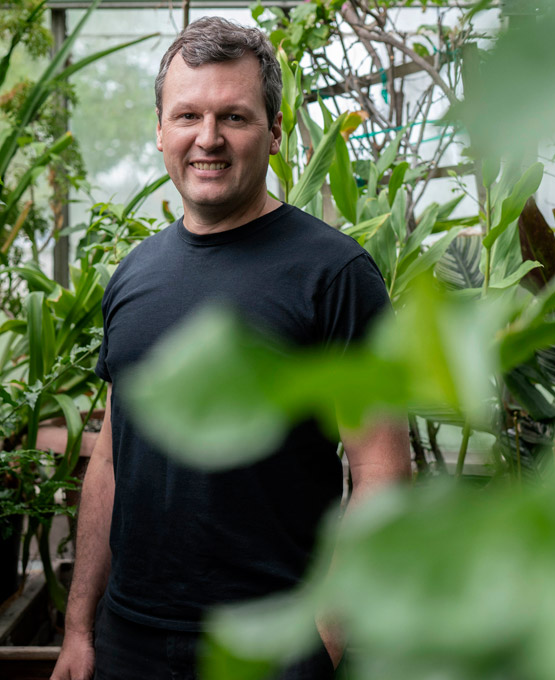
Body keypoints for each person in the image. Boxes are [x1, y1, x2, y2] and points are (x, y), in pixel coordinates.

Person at [51, 16, 411, 680]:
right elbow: (110, 455)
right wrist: (80, 627)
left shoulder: (333, 275)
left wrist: (321, 644)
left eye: (234, 117)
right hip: (130, 638)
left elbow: (383, 475)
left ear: (274, 133)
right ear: (160, 130)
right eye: (187, 115)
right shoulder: (135, 273)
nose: (207, 139)